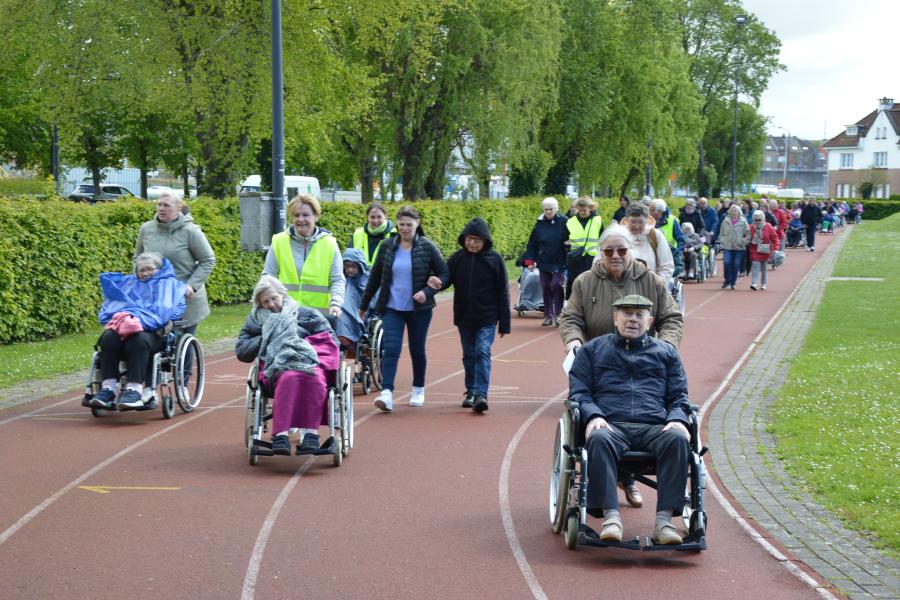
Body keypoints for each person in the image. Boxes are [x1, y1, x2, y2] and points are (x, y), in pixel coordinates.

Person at [558, 226, 683, 509]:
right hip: (599, 360)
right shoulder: (585, 281)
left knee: (640, 407)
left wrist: (666, 347)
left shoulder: (650, 280)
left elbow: (672, 319)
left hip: (643, 358)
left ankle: (629, 479)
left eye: (622, 250)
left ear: (631, 252)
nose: (615, 256)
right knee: (600, 411)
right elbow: (570, 318)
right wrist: (574, 341)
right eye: (609, 251)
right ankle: (623, 481)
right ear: (600, 253)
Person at [568, 294, 692, 545]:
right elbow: (579, 392)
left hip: (654, 425)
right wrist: (593, 415)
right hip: (610, 423)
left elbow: (679, 395)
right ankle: (611, 519)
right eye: (626, 314)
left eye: (639, 315)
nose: (632, 319)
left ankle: (664, 522)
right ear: (615, 318)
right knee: (599, 437)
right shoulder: (592, 350)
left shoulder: (666, 353)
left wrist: (678, 419)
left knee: (678, 438)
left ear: (650, 320)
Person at [235, 275, 340, 455]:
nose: (271, 304)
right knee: (290, 378)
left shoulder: (307, 314)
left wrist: (300, 338)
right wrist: (268, 337)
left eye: (274, 298)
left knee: (314, 378)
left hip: (308, 361)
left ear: (283, 294)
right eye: (265, 301)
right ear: (259, 304)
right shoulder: (255, 320)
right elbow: (241, 351)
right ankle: (281, 435)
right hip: (276, 367)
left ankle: (310, 435)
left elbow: (332, 341)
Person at [360, 205, 450, 412]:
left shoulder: (427, 247)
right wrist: (364, 305)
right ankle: (387, 392)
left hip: (419, 309)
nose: (405, 229)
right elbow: (375, 277)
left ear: (417, 224)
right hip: (392, 307)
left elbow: (445, 275)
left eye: (409, 225)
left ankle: (418, 388)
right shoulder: (387, 246)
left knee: (417, 349)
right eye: (401, 225)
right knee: (390, 349)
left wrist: (427, 291)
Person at [89, 253, 186, 410]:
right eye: (142, 270)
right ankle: (108, 388)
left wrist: (142, 319)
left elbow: (173, 311)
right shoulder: (128, 283)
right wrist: (126, 317)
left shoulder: (171, 285)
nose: (146, 273)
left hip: (154, 333)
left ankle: (134, 389)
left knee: (138, 340)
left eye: (150, 269)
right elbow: (113, 305)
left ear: (159, 269)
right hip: (124, 329)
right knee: (107, 338)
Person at [446, 218, 511, 413]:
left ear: (485, 241)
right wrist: (432, 285)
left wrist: (504, 323)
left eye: (476, 240)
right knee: (468, 355)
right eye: (469, 239)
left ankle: (481, 394)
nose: (472, 243)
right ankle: (471, 391)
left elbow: (503, 291)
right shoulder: (457, 259)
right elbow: (445, 279)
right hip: (464, 316)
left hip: (487, 316)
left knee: (482, 351)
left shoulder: (495, 260)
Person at [134, 193, 216, 337]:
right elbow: (138, 258)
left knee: (180, 343)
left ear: (178, 208)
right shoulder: (147, 229)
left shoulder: (191, 231)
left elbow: (208, 260)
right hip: (153, 298)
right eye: (159, 204)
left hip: (183, 298)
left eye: (166, 205)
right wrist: (138, 278)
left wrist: (191, 285)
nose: (161, 208)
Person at [264, 194, 344, 318]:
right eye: (296, 215)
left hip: (319, 319)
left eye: (305, 215)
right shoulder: (279, 241)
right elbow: (268, 277)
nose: (300, 219)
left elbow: (337, 279)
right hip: (285, 315)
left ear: (316, 216)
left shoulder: (330, 244)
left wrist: (336, 303)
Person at [522, 197, 569, 326]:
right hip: (544, 260)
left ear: (556, 209)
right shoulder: (539, 223)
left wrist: (570, 243)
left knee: (556, 285)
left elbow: (572, 237)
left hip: (559, 260)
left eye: (551, 209)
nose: (548, 212)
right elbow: (532, 243)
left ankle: (559, 314)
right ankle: (548, 316)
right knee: (546, 287)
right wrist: (530, 261)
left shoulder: (565, 221)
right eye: (546, 209)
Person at [620, 203, 674, 282]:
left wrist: (657, 285)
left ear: (647, 221)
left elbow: (666, 265)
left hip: (650, 286)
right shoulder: (617, 236)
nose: (637, 226)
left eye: (641, 222)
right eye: (633, 222)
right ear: (627, 221)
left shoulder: (655, 235)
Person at [564, 196, 604, 299]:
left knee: (590, 282)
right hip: (575, 257)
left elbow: (603, 236)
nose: (582, 212)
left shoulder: (597, 220)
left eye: (584, 210)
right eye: (580, 210)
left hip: (590, 257)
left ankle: (589, 304)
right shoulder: (571, 222)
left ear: (590, 208)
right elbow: (564, 237)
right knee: (573, 281)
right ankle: (571, 304)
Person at [335, 248, 370, 356]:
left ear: (360, 266)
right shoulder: (343, 279)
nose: (349, 270)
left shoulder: (367, 279)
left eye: (353, 266)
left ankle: (347, 336)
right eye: (347, 266)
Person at [349, 202, 396, 267]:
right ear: (367, 217)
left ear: (385, 216)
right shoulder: (358, 233)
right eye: (372, 217)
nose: (375, 221)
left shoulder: (394, 234)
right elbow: (349, 258)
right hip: (361, 276)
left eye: (379, 217)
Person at [649, 199, 684, 278]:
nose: (653, 213)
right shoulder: (646, 222)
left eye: (656, 210)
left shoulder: (672, 220)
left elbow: (681, 238)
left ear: (662, 211)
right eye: (651, 210)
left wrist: (679, 252)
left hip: (670, 254)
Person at [718, 204, 750, 290]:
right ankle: (727, 280)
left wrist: (745, 241)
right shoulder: (726, 220)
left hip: (739, 247)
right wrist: (722, 240)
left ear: (739, 212)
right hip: (727, 246)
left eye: (735, 210)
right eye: (731, 210)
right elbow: (721, 232)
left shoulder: (743, 221)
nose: (733, 212)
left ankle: (733, 282)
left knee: (736, 264)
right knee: (727, 262)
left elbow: (748, 233)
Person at [748, 210, 778, 291]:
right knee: (755, 265)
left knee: (764, 268)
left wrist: (776, 248)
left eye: (759, 220)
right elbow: (746, 238)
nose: (757, 221)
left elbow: (775, 238)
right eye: (756, 220)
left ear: (763, 219)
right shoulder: (750, 227)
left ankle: (763, 284)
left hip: (765, 249)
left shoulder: (768, 226)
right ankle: (754, 283)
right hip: (754, 249)